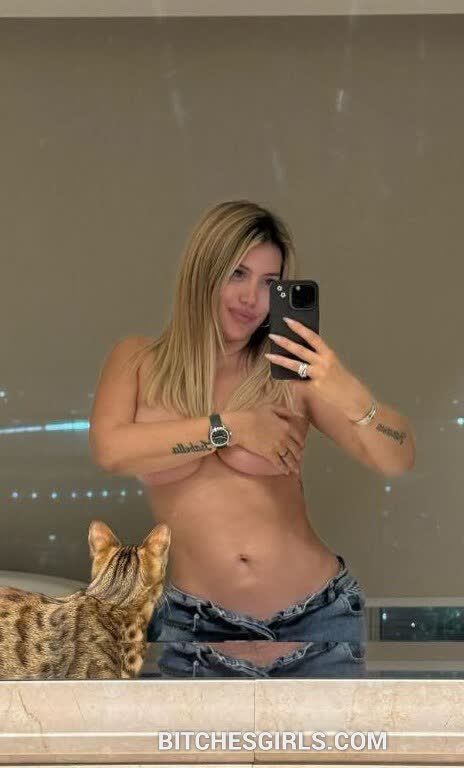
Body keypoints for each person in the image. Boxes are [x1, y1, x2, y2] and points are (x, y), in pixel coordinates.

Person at [89, 200, 416, 679]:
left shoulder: (287, 372)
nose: (252, 299)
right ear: (203, 272)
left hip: (316, 622)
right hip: (196, 629)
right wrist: (233, 427)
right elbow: (111, 450)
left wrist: (353, 396)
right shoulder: (139, 360)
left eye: (269, 282)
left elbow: (397, 457)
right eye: (237, 273)